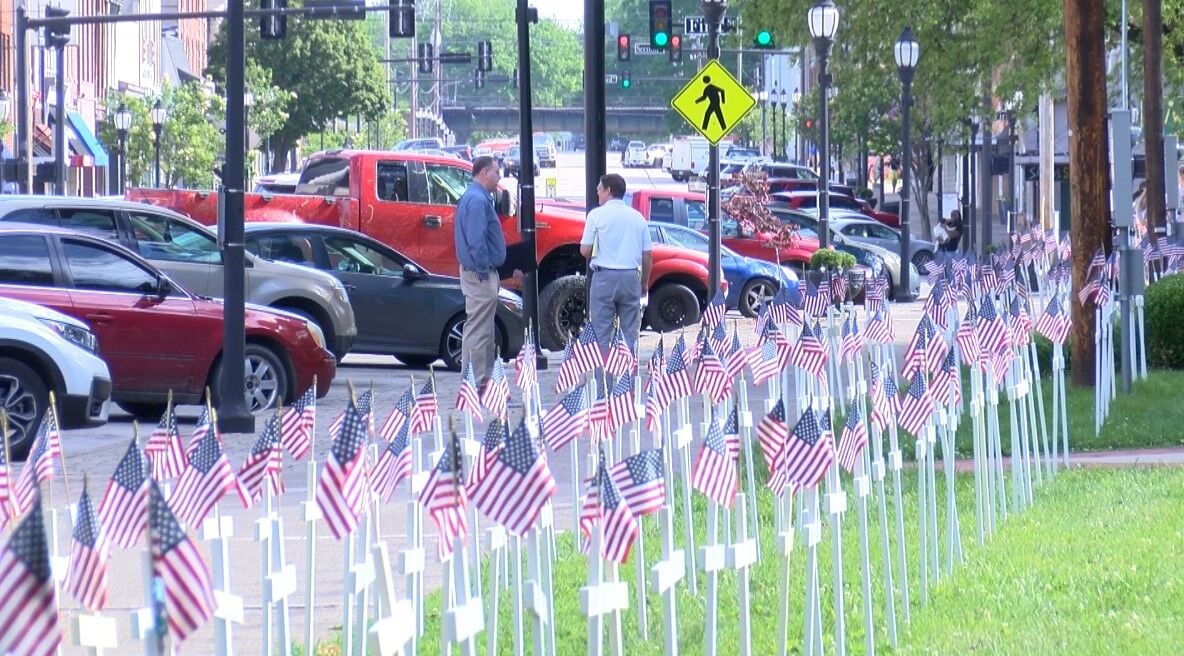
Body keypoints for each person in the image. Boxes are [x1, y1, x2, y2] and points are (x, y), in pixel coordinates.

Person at [581, 173, 653, 354]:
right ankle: (627, 369)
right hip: (631, 277)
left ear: (608, 190)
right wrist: (644, 283)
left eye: (599, 189)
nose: (597, 193)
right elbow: (647, 255)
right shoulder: (638, 218)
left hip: (603, 277)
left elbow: (585, 251)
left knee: (600, 331)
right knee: (629, 331)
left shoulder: (596, 216)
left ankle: (602, 370)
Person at [454, 155, 506, 387]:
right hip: (479, 274)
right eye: (496, 172)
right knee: (478, 330)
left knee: (484, 329)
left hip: (478, 272)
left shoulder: (476, 197)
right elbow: (476, 241)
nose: (499, 177)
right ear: (485, 172)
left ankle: (483, 380)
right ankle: (473, 382)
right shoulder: (477, 200)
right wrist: (483, 271)